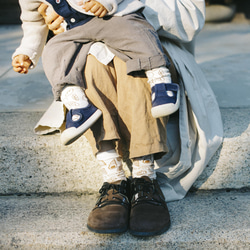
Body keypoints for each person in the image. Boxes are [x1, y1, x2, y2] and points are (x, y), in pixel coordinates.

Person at [34, 0, 223, 236]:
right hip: (87, 45)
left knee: (131, 64)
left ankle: (145, 178)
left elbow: (191, 17)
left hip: (150, 45)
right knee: (90, 63)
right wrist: (62, 14)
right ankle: (113, 179)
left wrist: (119, 9)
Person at [12, 0, 180, 146]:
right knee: (53, 51)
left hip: (110, 17)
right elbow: (32, 23)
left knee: (135, 32)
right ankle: (77, 104)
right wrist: (27, 52)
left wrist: (105, 2)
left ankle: (161, 81)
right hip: (75, 30)